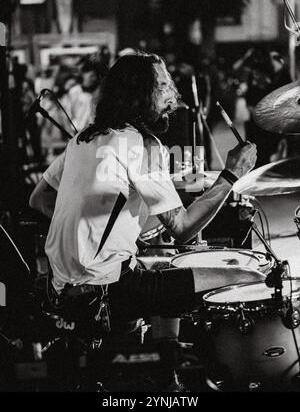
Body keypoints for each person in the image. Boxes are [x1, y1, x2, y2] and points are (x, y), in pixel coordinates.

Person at [29, 52, 263, 390]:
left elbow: (39, 199)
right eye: (163, 86)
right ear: (140, 94)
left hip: (62, 290)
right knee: (245, 276)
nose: (173, 94)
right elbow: (182, 228)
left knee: (164, 271)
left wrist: (89, 236)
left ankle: (167, 376)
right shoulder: (142, 145)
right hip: (106, 295)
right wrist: (230, 175)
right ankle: (215, 377)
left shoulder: (83, 139)